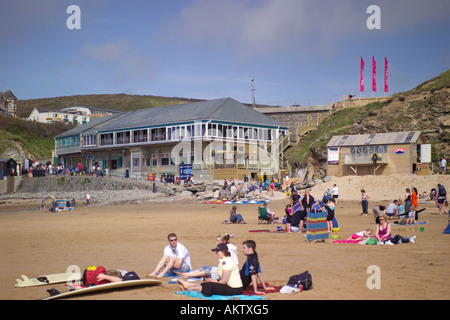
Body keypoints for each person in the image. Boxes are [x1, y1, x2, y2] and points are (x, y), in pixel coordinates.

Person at [177, 243, 243, 297]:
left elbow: (224, 281)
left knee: (209, 287)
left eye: (218, 251)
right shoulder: (224, 261)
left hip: (234, 288)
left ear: (223, 252)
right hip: (231, 286)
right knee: (207, 284)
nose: (216, 253)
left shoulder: (226, 262)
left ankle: (189, 289)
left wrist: (215, 282)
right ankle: (188, 285)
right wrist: (214, 281)